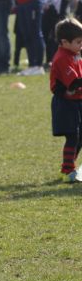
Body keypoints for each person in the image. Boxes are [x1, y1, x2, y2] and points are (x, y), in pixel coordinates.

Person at [50, 18, 82, 182]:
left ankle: (70, 165)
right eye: (78, 42)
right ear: (64, 42)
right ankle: (69, 169)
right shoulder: (62, 58)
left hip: (77, 101)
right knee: (73, 135)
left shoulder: (74, 54)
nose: (81, 45)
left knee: (79, 135)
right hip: (66, 103)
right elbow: (75, 83)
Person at [16, 0, 50, 76]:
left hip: (33, 1)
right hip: (22, 2)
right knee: (26, 34)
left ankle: (38, 65)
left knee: (35, 33)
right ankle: (31, 65)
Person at [42, 0, 70, 66]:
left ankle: (56, 60)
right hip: (47, 21)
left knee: (56, 42)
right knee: (48, 41)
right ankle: (49, 59)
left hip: (57, 22)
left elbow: (62, 12)